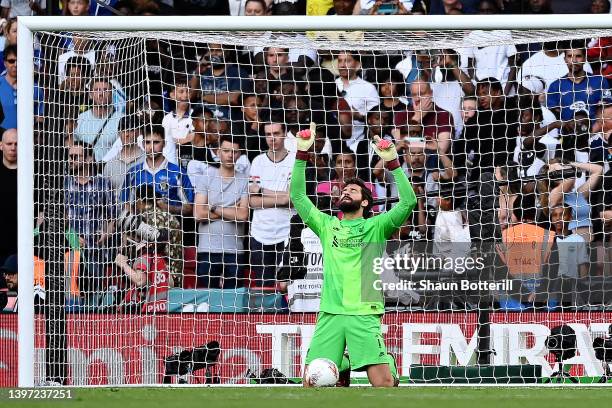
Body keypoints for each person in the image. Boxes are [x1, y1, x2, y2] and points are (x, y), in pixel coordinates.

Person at [291, 123, 417, 387]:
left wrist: (392, 161)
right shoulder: (327, 225)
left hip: (364, 311)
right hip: (331, 312)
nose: (346, 190)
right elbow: (299, 197)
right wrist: (302, 154)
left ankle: (385, 363)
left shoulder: (377, 226)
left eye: (353, 190)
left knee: (384, 386)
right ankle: (343, 362)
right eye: (344, 189)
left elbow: (408, 203)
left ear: (365, 203)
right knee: (310, 385)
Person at [193, 135, 249, 289]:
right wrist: (232, 211)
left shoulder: (244, 179)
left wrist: (213, 207)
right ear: (218, 152)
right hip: (207, 249)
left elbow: (243, 216)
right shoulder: (206, 177)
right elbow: (198, 214)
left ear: (239, 154)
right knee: (208, 301)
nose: (230, 155)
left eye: (234, 151)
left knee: (234, 305)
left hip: (235, 251)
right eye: (226, 151)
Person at [64, 141, 116, 299]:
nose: (71, 160)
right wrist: (71, 236)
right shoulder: (63, 184)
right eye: (70, 157)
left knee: (93, 300)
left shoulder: (103, 184)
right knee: (69, 297)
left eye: (75, 157)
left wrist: (106, 234)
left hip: (95, 254)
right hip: (68, 253)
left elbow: (113, 216)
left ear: (88, 159)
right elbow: (55, 218)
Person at [248, 120, 295, 287]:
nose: (272, 138)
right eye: (268, 134)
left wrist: (261, 190)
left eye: (276, 133)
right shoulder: (258, 161)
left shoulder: (295, 161)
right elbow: (252, 202)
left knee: (287, 286)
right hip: (260, 234)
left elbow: (290, 199)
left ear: (284, 134)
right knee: (264, 288)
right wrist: (281, 197)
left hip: (287, 234)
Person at [122, 125, 194, 217]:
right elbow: (125, 204)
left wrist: (166, 208)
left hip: (171, 228)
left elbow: (189, 208)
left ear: (164, 143)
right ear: (143, 144)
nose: (151, 147)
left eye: (156, 142)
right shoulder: (133, 173)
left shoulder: (178, 173)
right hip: (141, 229)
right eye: (147, 142)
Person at [547, 40, 610, 122]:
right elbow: (553, 116)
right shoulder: (555, 86)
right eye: (570, 56)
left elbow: (607, 110)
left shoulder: (600, 81)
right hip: (567, 133)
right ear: (565, 59)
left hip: (595, 133)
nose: (574, 61)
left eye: (578, 56)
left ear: (585, 58)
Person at [74, 76, 123, 161]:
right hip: (86, 172)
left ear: (112, 94)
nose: (101, 94)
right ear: (91, 94)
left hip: (111, 172)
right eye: (97, 90)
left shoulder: (121, 119)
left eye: (105, 90)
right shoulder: (80, 119)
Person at [102, 115, 145, 200]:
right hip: (116, 211)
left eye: (131, 130)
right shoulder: (110, 164)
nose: (127, 134)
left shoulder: (147, 160)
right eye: (123, 130)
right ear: (118, 133)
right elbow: (105, 196)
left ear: (138, 132)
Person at [0, 128, 16, 263]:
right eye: (9, 144)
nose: (13, 148)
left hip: (23, 242)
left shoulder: (33, 175)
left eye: (17, 144)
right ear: (1, 145)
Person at [0, 44, 16, 129]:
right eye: (11, 61)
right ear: (5, 63)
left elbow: (40, 119)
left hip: (27, 140)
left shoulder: (34, 88)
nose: (16, 64)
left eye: (19, 60)